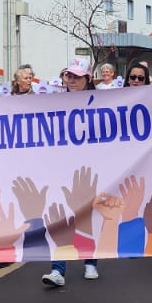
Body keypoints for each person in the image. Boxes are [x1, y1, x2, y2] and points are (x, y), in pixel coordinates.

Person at [42, 60, 102, 287]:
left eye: (77, 76)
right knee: (59, 216)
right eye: (69, 76)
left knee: (87, 216)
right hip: (60, 168)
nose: (72, 80)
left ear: (88, 79)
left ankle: (91, 261)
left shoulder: (101, 103)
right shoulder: (55, 103)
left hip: (90, 168)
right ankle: (58, 269)